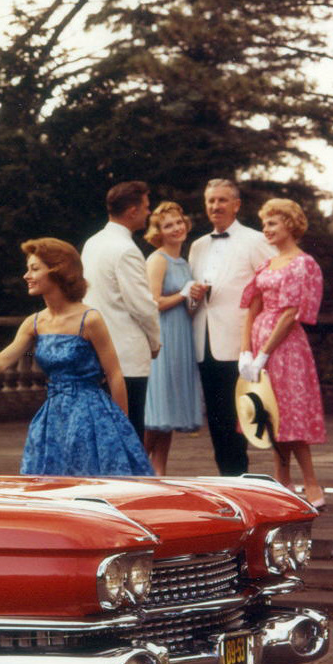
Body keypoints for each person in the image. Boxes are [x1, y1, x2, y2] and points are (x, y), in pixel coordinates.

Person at [0, 238, 153, 477]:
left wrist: (121, 427)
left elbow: (115, 374)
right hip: (54, 419)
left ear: (58, 271)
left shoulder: (89, 319)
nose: (27, 275)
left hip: (92, 417)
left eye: (35, 269)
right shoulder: (35, 322)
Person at [241, 198, 327, 508]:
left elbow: (290, 313)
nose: (266, 229)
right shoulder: (267, 264)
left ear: (289, 224)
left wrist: (264, 352)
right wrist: (245, 352)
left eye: (272, 223)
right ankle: (282, 481)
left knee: (290, 414)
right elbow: (251, 307)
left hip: (286, 347)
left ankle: (312, 483)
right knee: (269, 414)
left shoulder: (302, 263)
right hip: (261, 343)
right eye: (264, 223)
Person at [187, 179, 275, 475]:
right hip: (204, 341)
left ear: (236, 205)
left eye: (222, 200)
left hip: (240, 343)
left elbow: (273, 287)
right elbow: (192, 301)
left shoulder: (254, 240)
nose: (216, 206)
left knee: (244, 417)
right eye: (211, 201)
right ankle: (228, 478)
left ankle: (243, 478)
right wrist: (192, 296)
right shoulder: (197, 246)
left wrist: (258, 341)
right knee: (217, 418)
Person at [78, 181, 163, 435]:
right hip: (126, 357)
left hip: (96, 353)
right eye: (146, 207)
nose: (149, 213)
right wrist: (155, 342)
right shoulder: (126, 250)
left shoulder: (93, 243)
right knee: (129, 432)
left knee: (104, 433)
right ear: (132, 211)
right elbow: (143, 307)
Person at [141, 200, 204, 473]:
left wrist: (195, 299)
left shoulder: (184, 262)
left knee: (167, 417)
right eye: (168, 225)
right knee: (156, 414)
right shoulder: (157, 260)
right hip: (163, 337)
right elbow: (151, 302)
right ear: (159, 232)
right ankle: (133, 473)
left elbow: (187, 304)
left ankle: (159, 474)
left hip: (182, 336)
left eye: (179, 222)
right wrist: (183, 294)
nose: (176, 228)